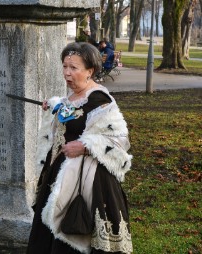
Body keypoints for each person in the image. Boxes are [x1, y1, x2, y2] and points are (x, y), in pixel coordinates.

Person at [27, 42, 133, 254]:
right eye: (65, 67)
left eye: (73, 68)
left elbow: (120, 141)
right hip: (58, 176)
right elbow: (70, 115)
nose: (67, 73)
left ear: (90, 71)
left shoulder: (100, 100)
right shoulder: (72, 97)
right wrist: (54, 105)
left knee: (77, 232)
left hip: (89, 182)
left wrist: (85, 146)